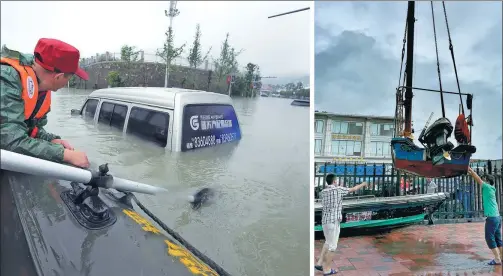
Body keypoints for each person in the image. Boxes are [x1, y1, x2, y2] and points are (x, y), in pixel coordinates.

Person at [1, 38, 90, 168]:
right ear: (58, 77)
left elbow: (30, 128)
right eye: (69, 78)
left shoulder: (41, 89)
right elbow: (9, 140)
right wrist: (64, 154)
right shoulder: (7, 80)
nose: (67, 83)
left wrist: (51, 139)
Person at [315, 174, 369, 275]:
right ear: (334, 181)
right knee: (332, 246)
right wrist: (363, 184)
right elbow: (353, 189)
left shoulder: (323, 192)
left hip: (325, 221)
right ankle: (327, 270)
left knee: (327, 242)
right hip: (334, 221)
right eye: (337, 180)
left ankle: (319, 263)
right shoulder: (338, 190)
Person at [467, 167, 502, 265]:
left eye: (484, 179)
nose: (483, 180)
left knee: (489, 237)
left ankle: (497, 259)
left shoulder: (486, 187)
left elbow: (478, 179)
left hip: (492, 218)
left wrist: (470, 169)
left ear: (487, 181)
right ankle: (501, 257)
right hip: (498, 217)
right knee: (497, 238)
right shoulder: (492, 188)